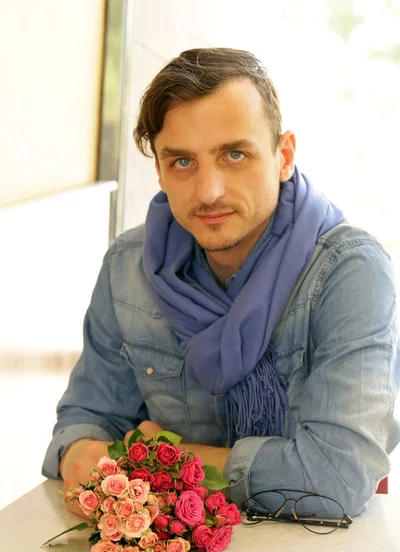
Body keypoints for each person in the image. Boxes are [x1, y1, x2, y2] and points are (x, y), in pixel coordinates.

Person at [42, 47, 400, 519]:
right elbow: (84, 420)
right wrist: (81, 453)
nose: (208, 191)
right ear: (160, 172)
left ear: (284, 155)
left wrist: (164, 461)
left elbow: (336, 479)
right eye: (182, 162)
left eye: (234, 154)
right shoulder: (128, 266)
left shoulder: (350, 272)